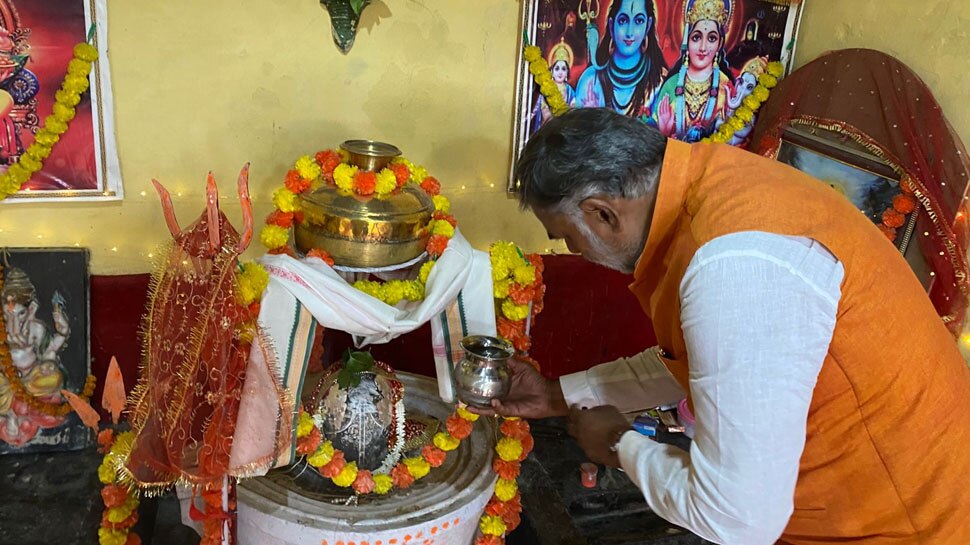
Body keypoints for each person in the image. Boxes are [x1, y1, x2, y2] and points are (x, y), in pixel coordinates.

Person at [479, 108, 970, 544]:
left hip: (903, 524)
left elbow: (736, 520)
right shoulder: (712, 181)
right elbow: (693, 360)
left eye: (566, 237)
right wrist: (555, 394)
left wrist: (619, 444)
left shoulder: (735, 264)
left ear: (602, 213)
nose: (572, 252)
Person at [653, 0, 735, 142]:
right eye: (696, 37)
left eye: (711, 38)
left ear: (720, 43)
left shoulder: (726, 88)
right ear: (687, 40)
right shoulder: (671, 85)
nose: (703, 47)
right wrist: (663, 132)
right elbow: (649, 138)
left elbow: (735, 143)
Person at [573, 0, 666, 118]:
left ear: (648, 25)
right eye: (623, 20)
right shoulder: (591, 80)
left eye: (639, 21)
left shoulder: (658, 82)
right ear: (612, 26)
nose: (629, 32)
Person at [531, 38, 577, 133]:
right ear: (551, 72)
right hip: (548, 128)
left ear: (567, 73)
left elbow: (573, 111)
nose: (560, 72)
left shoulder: (569, 91)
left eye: (563, 69)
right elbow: (544, 111)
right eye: (557, 69)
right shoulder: (546, 88)